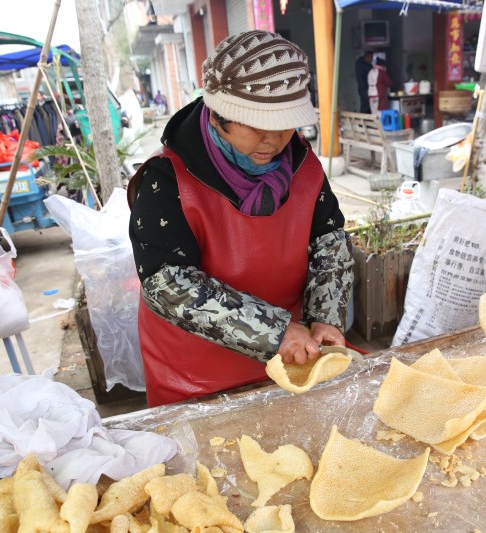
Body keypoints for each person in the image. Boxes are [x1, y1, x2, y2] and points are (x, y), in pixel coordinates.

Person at [127, 30, 354, 407]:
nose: (274, 141)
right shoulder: (166, 179)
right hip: (195, 373)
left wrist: (325, 317)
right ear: (217, 116)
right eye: (257, 127)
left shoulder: (304, 166)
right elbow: (168, 284)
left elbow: (329, 243)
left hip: (294, 355)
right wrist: (274, 331)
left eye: (285, 125)